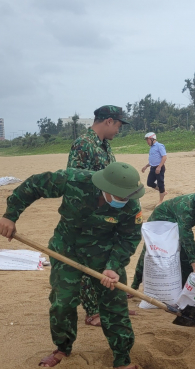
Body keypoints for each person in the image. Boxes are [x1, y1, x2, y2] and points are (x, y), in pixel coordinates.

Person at [0, 162, 148, 369]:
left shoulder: (131, 205)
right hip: (66, 250)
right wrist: (10, 215)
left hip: (104, 257)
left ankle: (122, 359)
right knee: (62, 303)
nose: (123, 201)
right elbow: (34, 185)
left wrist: (113, 267)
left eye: (126, 197)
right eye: (119, 197)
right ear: (105, 187)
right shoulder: (74, 180)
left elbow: (129, 238)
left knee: (115, 306)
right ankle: (62, 349)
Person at [66, 105, 129, 327]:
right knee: (86, 264)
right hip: (87, 217)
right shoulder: (84, 144)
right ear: (109, 121)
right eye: (118, 126)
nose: (118, 131)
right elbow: (75, 181)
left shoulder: (104, 146)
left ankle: (110, 306)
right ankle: (92, 312)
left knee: (106, 261)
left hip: (105, 216)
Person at [130, 186, 195, 291]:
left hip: (177, 223)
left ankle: (183, 289)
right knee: (151, 252)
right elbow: (186, 237)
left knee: (185, 258)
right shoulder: (187, 208)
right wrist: (194, 264)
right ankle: (134, 285)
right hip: (160, 220)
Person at [141, 132, 168, 204]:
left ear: (152, 139)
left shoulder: (159, 146)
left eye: (148, 140)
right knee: (149, 183)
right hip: (153, 168)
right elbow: (153, 159)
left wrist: (159, 167)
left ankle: (160, 201)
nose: (147, 142)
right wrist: (146, 166)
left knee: (160, 183)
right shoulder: (152, 148)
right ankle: (162, 191)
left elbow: (164, 157)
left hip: (159, 168)